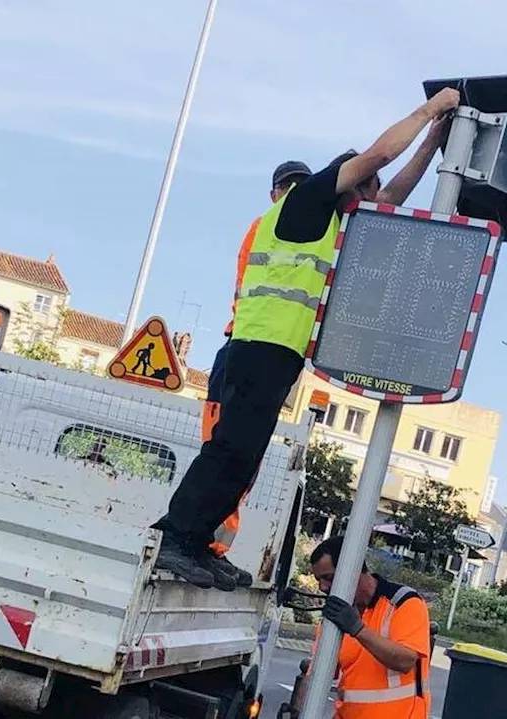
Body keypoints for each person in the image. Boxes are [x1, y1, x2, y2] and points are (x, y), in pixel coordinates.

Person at [152, 87, 462, 590]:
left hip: (276, 354)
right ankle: (177, 537)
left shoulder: (332, 221)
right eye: (367, 189)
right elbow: (381, 154)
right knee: (230, 448)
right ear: (349, 182)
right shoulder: (307, 202)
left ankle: (196, 538)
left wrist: (431, 143)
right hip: (257, 346)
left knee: (244, 454)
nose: (373, 202)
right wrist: (429, 110)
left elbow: (392, 196)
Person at [203, 160, 314, 588]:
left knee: (242, 461)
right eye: (288, 189)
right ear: (274, 195)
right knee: (224, 453)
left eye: (300, 188)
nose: (294, 196)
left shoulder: (297, 233)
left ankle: (212, 546)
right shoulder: (269, 227)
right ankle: (204, 545)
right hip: (243, 349)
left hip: (259, 355)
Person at [301, 535, 431, 719]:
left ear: (352, 570)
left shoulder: (404, 603)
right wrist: (298, 709)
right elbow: (316, 674)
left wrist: (357, 629)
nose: (323, 587)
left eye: (328, 578)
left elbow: (405, 661)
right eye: (318, 580)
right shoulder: (336, 616)